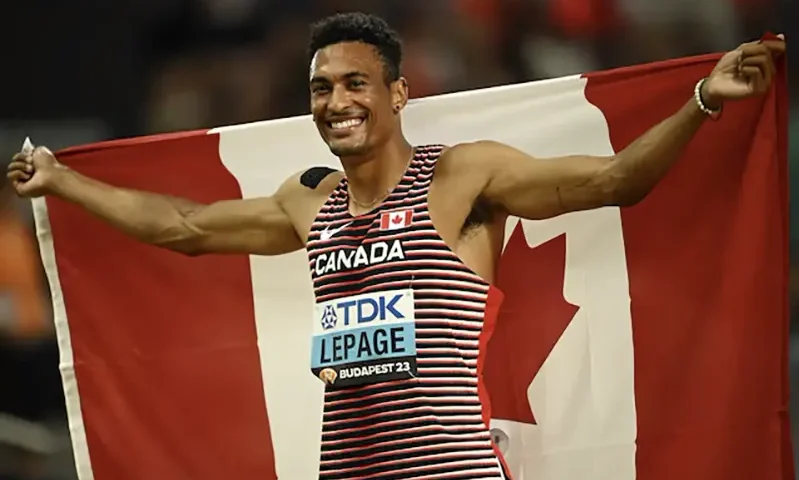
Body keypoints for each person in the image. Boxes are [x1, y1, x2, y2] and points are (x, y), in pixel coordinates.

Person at [6, 12, 786, 480]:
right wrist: (64, 183)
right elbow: (183, 228)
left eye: (354, 84)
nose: (336, 102)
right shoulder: (308, 203)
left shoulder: (460, 178)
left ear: (397, 95)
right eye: (321, 88)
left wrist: (698, 103)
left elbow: (614, 179)